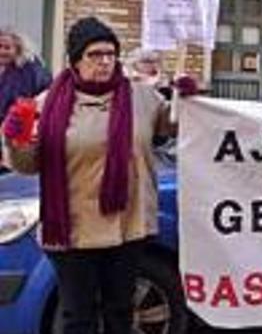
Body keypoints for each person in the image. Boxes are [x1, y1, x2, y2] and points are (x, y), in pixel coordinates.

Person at [1, 17, 192, 334]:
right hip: (73, 231)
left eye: (110, 53)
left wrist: (187, 100)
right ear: (76, 60)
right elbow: (28, 165)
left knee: (120, 312)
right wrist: (14, 140)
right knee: (80, 317)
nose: (104, 61)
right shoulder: (46, 104)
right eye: (94, 54)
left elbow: (176, 127)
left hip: (127, 226)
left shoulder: (142, 98)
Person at [0, 26, 52, 126]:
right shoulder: (4, 68)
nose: (2, 51)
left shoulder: (30, 70)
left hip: (20, 129)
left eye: (7, 48)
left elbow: (48, 93)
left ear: (18, 49)